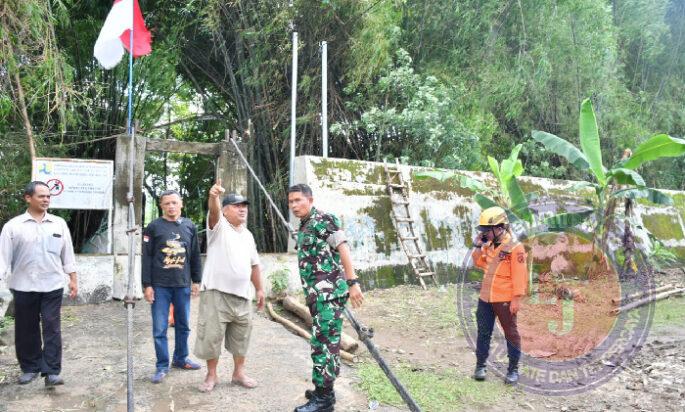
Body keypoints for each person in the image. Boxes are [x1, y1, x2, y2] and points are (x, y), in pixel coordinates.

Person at [287, 184, 364, 412]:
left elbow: (343, 249)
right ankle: (322, 391)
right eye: (291, 202)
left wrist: (353, 283)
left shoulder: (324, 219)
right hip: (317, 296)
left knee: (324, 346)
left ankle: (324, 399)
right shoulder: (305, 224)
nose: (294, 205)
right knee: (320, 343)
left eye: (298, 200)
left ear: (310, 200)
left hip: (329, 295)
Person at [0, 181, 78, 387]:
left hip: (52, 284)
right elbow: (2, 258)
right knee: (26, 328)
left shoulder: (58, 223)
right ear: (28, 198)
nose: (46, 200)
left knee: (52, 327)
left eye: (48, 197)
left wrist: (73, 278)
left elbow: (67, 253)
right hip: (23, 285)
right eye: (41, 196)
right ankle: (30, 367)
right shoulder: (13, 226)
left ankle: (52, 371)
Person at [194, 179, 265, 393]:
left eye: (244, 206)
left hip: (243, 296)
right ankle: (211, 375)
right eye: (236, 206)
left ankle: (238, 373)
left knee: (242, 337)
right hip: (217, 293)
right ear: (226, 211)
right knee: (212, 337)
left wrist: (260, 289)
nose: (242, 209)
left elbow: (254, 265)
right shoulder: (219, 227)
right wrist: (214, 196)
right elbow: (214, 212)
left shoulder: (248, 235)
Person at [142, 189, 202, 383]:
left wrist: (196, 281)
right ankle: (161, 365)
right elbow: (147, 258)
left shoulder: (189, 226)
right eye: (167, 203)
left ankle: (181, 358)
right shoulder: (153, 227)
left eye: (174, 203)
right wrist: (147, 285)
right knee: (160, 328)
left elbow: (194, 256)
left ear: (181, 204)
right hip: (160, 285)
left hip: (182, 284)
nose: (171, 206)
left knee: (183, 325)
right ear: (161, 205)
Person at [471, 206, 527, 385]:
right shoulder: (489, 245)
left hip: (504, 298)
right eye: (483, 230)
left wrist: (516, 298)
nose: (485, 233)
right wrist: (479, 246)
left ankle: (513, 370)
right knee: (483, 332)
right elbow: (479, 263)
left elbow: (520, 275)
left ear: (500, 227)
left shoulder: (515, 247)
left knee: (510, 333)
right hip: (486, 297)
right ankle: (480, 366)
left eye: (488, 230)